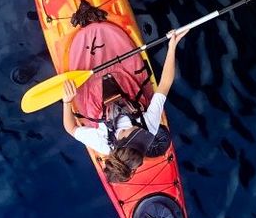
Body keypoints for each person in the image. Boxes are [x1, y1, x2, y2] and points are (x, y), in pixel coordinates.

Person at [61, 29, 185, 183]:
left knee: (91, 111)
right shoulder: (149, 128)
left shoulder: (103, 143)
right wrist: (172, 47)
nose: (143, 134)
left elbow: (70, 128)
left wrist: (67, 101)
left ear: (124, 137)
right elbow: (165, 83)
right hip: (127, 88)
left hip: (97, 102)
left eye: (137, 136)